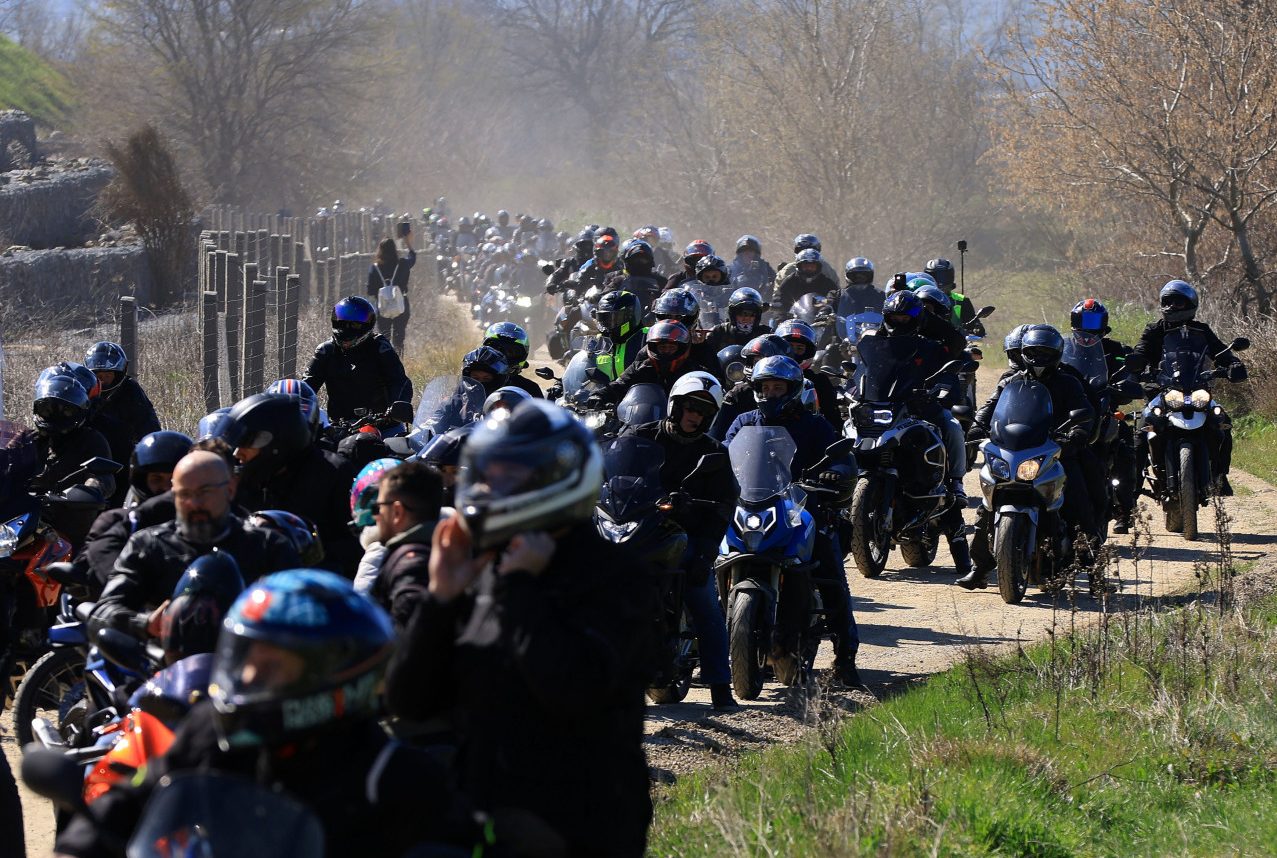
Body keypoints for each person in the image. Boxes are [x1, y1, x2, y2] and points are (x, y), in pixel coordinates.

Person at [58, 571, 489, 858]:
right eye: (244, 658)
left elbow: (459, 840)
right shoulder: (212, 731)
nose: (247, 676)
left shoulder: (394, 775)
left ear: (336, 674)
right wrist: (84, 839)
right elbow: (140, 792)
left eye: (271, 665)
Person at [386, 400, 656, 856]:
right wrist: (440, 598)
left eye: (509, 475)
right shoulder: (488, 567)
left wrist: (520, 589)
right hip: (481, 818)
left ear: (557, 479)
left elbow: (573, 689)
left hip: (580, 827)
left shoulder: (614, 575)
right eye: (486, 474)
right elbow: (410, 702)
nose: (490, 489)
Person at [724, 355, 860, 686]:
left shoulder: (814, 425)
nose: (770, 393)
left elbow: (845, 461)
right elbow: (720, 452)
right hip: (750, 507)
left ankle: (845, 659)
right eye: (765, 387)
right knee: (708, 563)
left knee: (831, 579)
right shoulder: (744, 422)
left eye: (777, 387)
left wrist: (834, 473)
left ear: (793, 389)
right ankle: (706, 650)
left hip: (801, 512)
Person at [88, 450, 299, 640]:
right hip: (166, 670)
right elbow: (104, 610)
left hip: (248, 668)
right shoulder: (148, 545)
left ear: (230, 489)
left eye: (204, 492)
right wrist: (146, 623)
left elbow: (301, 610)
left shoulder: (267, 545)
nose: (194, 504)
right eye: (185, 495)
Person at [625, 372, 739, 709]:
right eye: (690, 407)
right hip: (635, 529)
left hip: (684, 538)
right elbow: (612, 471)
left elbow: (722, 509)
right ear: (675, 405)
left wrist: (704, 555)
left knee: (704, 601)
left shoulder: (714, 453)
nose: (695, 415)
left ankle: (720, 686)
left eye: (703, 411)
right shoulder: (641, 436)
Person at [963, 325, 1105, 592]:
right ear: (1024, 353)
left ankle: (1096, 572)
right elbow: (990, 408)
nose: (1039, 357)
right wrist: (976, 427)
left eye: (1045, 352)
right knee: (987, 506)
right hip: (1014, 451)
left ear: (1057, 354)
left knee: (1080, 502)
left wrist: (1078, 432)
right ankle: (979, 568)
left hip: (1058, 451)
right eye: (1033, 352)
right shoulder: (1010, 380)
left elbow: (1082, 410)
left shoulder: (1068, 381)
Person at [866, 291, 971, 579]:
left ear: (917, 319)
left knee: (950, 425)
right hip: (886, 411)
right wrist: (851, 391)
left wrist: (942, 391)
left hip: (921, 409)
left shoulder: (931, 346)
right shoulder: (876, 343)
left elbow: (948, 374)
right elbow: (863, 374)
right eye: (894, 318)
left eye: (905, 318)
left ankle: (957, 481)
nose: (899, 323)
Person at [221, 392, 362, 572]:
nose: (238, 453)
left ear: (278, 442)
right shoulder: (243, 479)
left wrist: (306, 556)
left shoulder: (334, 473)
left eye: (248, 442)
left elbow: (354, 546)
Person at [1132, 279, 1247, 496]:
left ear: (1191, 304)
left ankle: (1220, 475)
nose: (1172, 307)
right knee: (1141, 431)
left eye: (1178, 303)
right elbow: (1141, 351)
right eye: (1169, 302)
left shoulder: (1202, 331)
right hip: (1161, 390)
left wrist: (1233, 365)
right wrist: (1136, 365)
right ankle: (1132, 492)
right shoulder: (1154, 330)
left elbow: (1221, 352)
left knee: (1223, 422)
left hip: (1196, 388)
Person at [79, 430, 193, 596]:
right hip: (131, 611)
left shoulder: (206, 520)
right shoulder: (116, 521)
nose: (168, 488)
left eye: (175, 479)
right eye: (157, 479)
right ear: (142, 481)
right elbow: (88, 563)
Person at [1069, 298, 1142, 532]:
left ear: (1103, 323)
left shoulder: (1116, 349)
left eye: (1094, 320)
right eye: (1085, 319)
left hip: (1106, 410)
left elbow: (1128, 373)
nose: (1089, 326)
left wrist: (1125, 383)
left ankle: (1124, 511)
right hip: (1073, 412)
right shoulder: (1065, 348)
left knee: (1126, 451)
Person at [303, 297, 413, 423]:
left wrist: (398, 405)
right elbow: (306, 387)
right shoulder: (326, 351)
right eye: (342, 323)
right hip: (338, 428)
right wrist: (294, 405)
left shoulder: (381, 348)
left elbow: (399, 381)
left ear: (367, 325)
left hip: (382, 426)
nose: (347, 329)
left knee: (401, 442)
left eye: (355, 324)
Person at [368, 461, 443, 632]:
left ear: (397, 512)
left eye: (377, 507)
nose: (376, 516)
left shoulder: (410, 566)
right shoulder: (443, 552)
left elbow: (408, 639)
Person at [595, 320, 720, 406]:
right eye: (662, 347)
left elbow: (713, 392)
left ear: (681, 348)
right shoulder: (642, 366)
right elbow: (620, 384)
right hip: (642, 422)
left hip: (681, 424)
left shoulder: (694, 372)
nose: (666, 351)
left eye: (671, 348)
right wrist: (599, 396)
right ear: (654, 348)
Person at [83, 341, 161, 445]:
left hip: (123, 450)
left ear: (117, 375)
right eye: (99, 376)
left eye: (108, 376)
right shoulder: (83, 390)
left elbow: (149, 425)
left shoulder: (130, 390)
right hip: (89, 448)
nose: (103, 381)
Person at [774, 318, 843, 430]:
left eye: (799, 348)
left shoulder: (819, 382)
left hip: (807, 438)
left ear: (808, 351)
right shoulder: (765, 377)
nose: (793, 353)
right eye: (789, 347)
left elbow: (833, 422)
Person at [366, 235, 416, 352]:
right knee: (399, 339)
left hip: (382, 308)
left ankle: (386, 365)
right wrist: (408, 243)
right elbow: (413, 258)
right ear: (394, 249)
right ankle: (399, 364)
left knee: (384, 339)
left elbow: (370, 290)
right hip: (401, 305)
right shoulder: (402, 264)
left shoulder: (375, 268)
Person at [481, 321, 544, 399]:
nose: (502, 357)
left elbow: (538, 410)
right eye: (496, 350)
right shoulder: (473, 378)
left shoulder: (530, 388)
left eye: (511, 352)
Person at [925, 257, 984, 336]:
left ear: (951, 278)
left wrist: (976, 327)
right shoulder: (919, 300)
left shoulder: (961, 301)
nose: (940, 283)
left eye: (944, 278)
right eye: (935, 277)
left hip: (955, 344)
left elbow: (973, 325)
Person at [705, 286, 772, 354]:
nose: (746, 318)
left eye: (751, 314)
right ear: (733, 314)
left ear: (757, 316)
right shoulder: (718, 332)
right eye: (741, 313)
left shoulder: (766, 334)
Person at [774, 247, 839, 311]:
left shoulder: (827, 283)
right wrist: (781, 315)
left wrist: (825, 303)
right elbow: (779, 299)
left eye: (812, 266)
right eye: (805, 266)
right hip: (793, 319)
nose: (809, 269)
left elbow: (834, 298)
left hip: (820, 319)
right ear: (799, 266)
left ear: (818, 267)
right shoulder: (790, 281)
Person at [728, 234, 776, 300]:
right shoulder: (732, 268)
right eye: (744, 251)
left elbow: (775, 283)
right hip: (736, 304)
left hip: (761, 304)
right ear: (740, 254)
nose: (747, 254)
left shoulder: (764, 267)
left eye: (750, 251)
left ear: (756, 253)